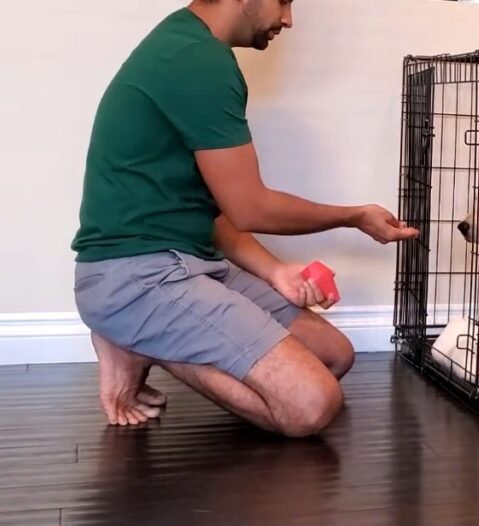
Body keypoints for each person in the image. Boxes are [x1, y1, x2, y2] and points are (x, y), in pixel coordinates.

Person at [70, 0, 417, 437]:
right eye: (283, 1)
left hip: (187, 262)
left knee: (334, 355)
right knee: (312, 404)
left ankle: (137, 333)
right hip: (135, 275)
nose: (287, 19)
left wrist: (277, 271)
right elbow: (250, 207)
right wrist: (352, 216)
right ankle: (133, 339)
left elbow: (214, 211)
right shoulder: (197, 59)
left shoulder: (190, 46)